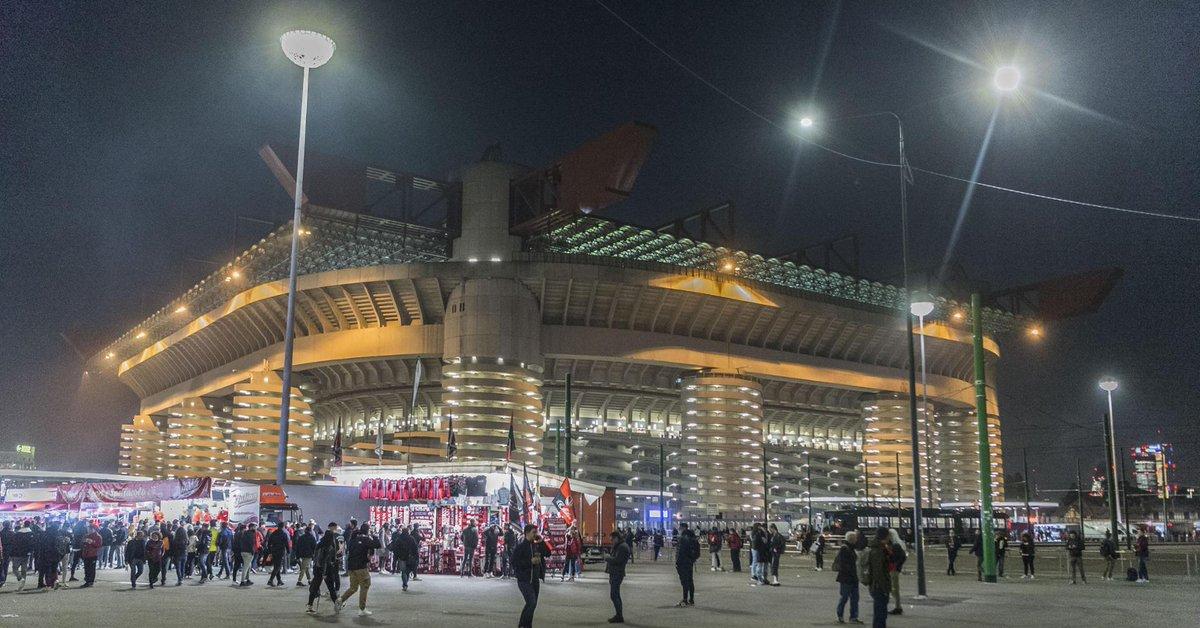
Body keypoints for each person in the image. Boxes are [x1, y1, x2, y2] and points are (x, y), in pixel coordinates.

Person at [337, 524, 381, 616]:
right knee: (365, 586)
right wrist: (374, 536)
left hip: (351, 567)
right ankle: (362, 609)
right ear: (368, 530)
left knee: (353, 587)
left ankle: (341, 600)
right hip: (361, 567)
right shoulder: (365, 540)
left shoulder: (353, 540)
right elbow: (377, 545)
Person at [307, 523, 343, 614]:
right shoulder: (328, 547)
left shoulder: (320, 544)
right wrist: (324, 573)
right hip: (324, 571)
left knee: (317, 588)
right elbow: (323, 561)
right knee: (328, 588)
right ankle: (337, 605)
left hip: (319, 570)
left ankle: (310, 606)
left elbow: (317, 559)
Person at [513, 524, 542, 628]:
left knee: (532, 605)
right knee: (531, 602)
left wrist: (541, 542)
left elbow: (548, 553)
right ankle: (522, 625)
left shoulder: (536, 545)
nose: (535, 534)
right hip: (524, 579)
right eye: (533, 532)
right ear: (527, 533)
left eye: (536, 532)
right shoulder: (520, 547)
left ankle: (527, 625)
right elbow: (514, 562)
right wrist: (530, 562)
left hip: (534, 579)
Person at [865, 527, 893, 628]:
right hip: (879, 586)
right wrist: (884, 588)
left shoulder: (881, 548)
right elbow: (878, 571)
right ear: (885, 536)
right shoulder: (878, 551)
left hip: (878, 585)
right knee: (880, 613)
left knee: (881, 613)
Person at [834, 531, 863, 625]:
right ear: (852, 539)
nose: (857, 540)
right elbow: (845, 564)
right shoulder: (845, 549)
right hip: (847, 578)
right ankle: (841, 615)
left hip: (851, 577)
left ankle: (853, 617)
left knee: (853, 598)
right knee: (845, 597)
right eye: (855, 538)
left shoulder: (849, 548)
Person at [603, 530, 630, 623]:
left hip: (617, 573)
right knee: (615, 595)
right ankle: (619, 615)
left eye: (612, 540)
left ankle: (619, 616)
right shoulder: (620, 545)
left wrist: (607, 557)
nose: (611, 542)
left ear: (616, 538)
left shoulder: (622, 547)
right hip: (615, 573)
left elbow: (617, 560)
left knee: (614, 595)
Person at [674, 522, 699, 607]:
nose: (679, 529)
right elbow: (697, 552)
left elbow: (680, 552)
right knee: (690, 580)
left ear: (683, 528)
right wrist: (693, 559)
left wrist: (677, 562)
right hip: (690, 562)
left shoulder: (683, 538)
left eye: (680, 528)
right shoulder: (693, 537)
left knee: (684, 581)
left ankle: (685, 600)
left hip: (683, 562)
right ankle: (691, 600)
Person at [886, 529, 906, 615]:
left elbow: (902, 557)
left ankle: (898, 607)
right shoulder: (894, 544)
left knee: (894, 589)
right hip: (892, 569)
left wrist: (896, 566)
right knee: (894, 589)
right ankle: (897, 606)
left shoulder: (895, 545)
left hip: (893, 570)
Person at [8, 520, 31, 591]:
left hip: (17, 554)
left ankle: (20, 579)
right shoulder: (30, 534)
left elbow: (13, 545)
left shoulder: (17, 535)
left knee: (15, 568)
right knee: (24, 570)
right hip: (26, 554)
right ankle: (22, 585)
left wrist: (11, 554)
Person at [81, 523, 102, 588]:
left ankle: (90, 582)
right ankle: (87, 581)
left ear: (94, 529)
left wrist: (92, 542)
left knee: (92, 569)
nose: (88, 529)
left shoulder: (98, 536)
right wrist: (84, 541)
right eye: (88, 528)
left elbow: (99, 545)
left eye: (90, 528)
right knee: (86, 568)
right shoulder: (87, 535)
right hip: (86, 554)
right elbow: (82, 543)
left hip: (93, 554)